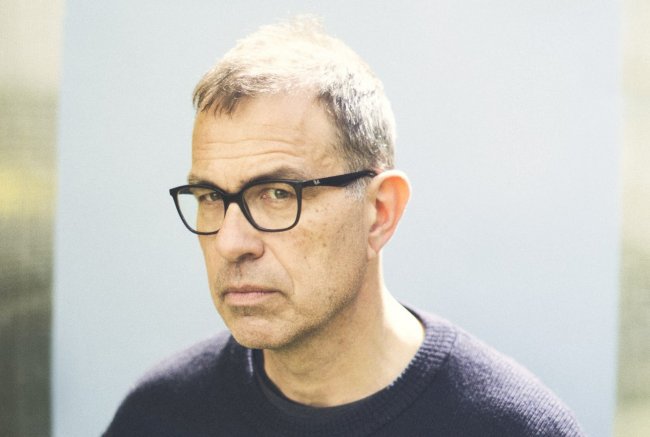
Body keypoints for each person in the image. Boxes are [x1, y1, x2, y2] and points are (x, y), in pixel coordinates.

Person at [105, 16, 585, 436]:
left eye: (277, 194)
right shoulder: (159, 417)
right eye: (211, 197)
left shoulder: (512, 427)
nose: (231, 242)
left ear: (380, 212)